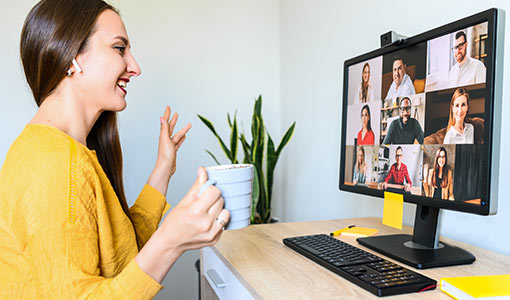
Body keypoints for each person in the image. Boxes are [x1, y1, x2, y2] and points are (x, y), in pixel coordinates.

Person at [0, 0, 230, 298]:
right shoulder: (54, 165)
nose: (134, 67)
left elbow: (120, 253)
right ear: (72, 57)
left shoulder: (60, 151)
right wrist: (170, 241)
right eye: (119, 48)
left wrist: (164, 167)